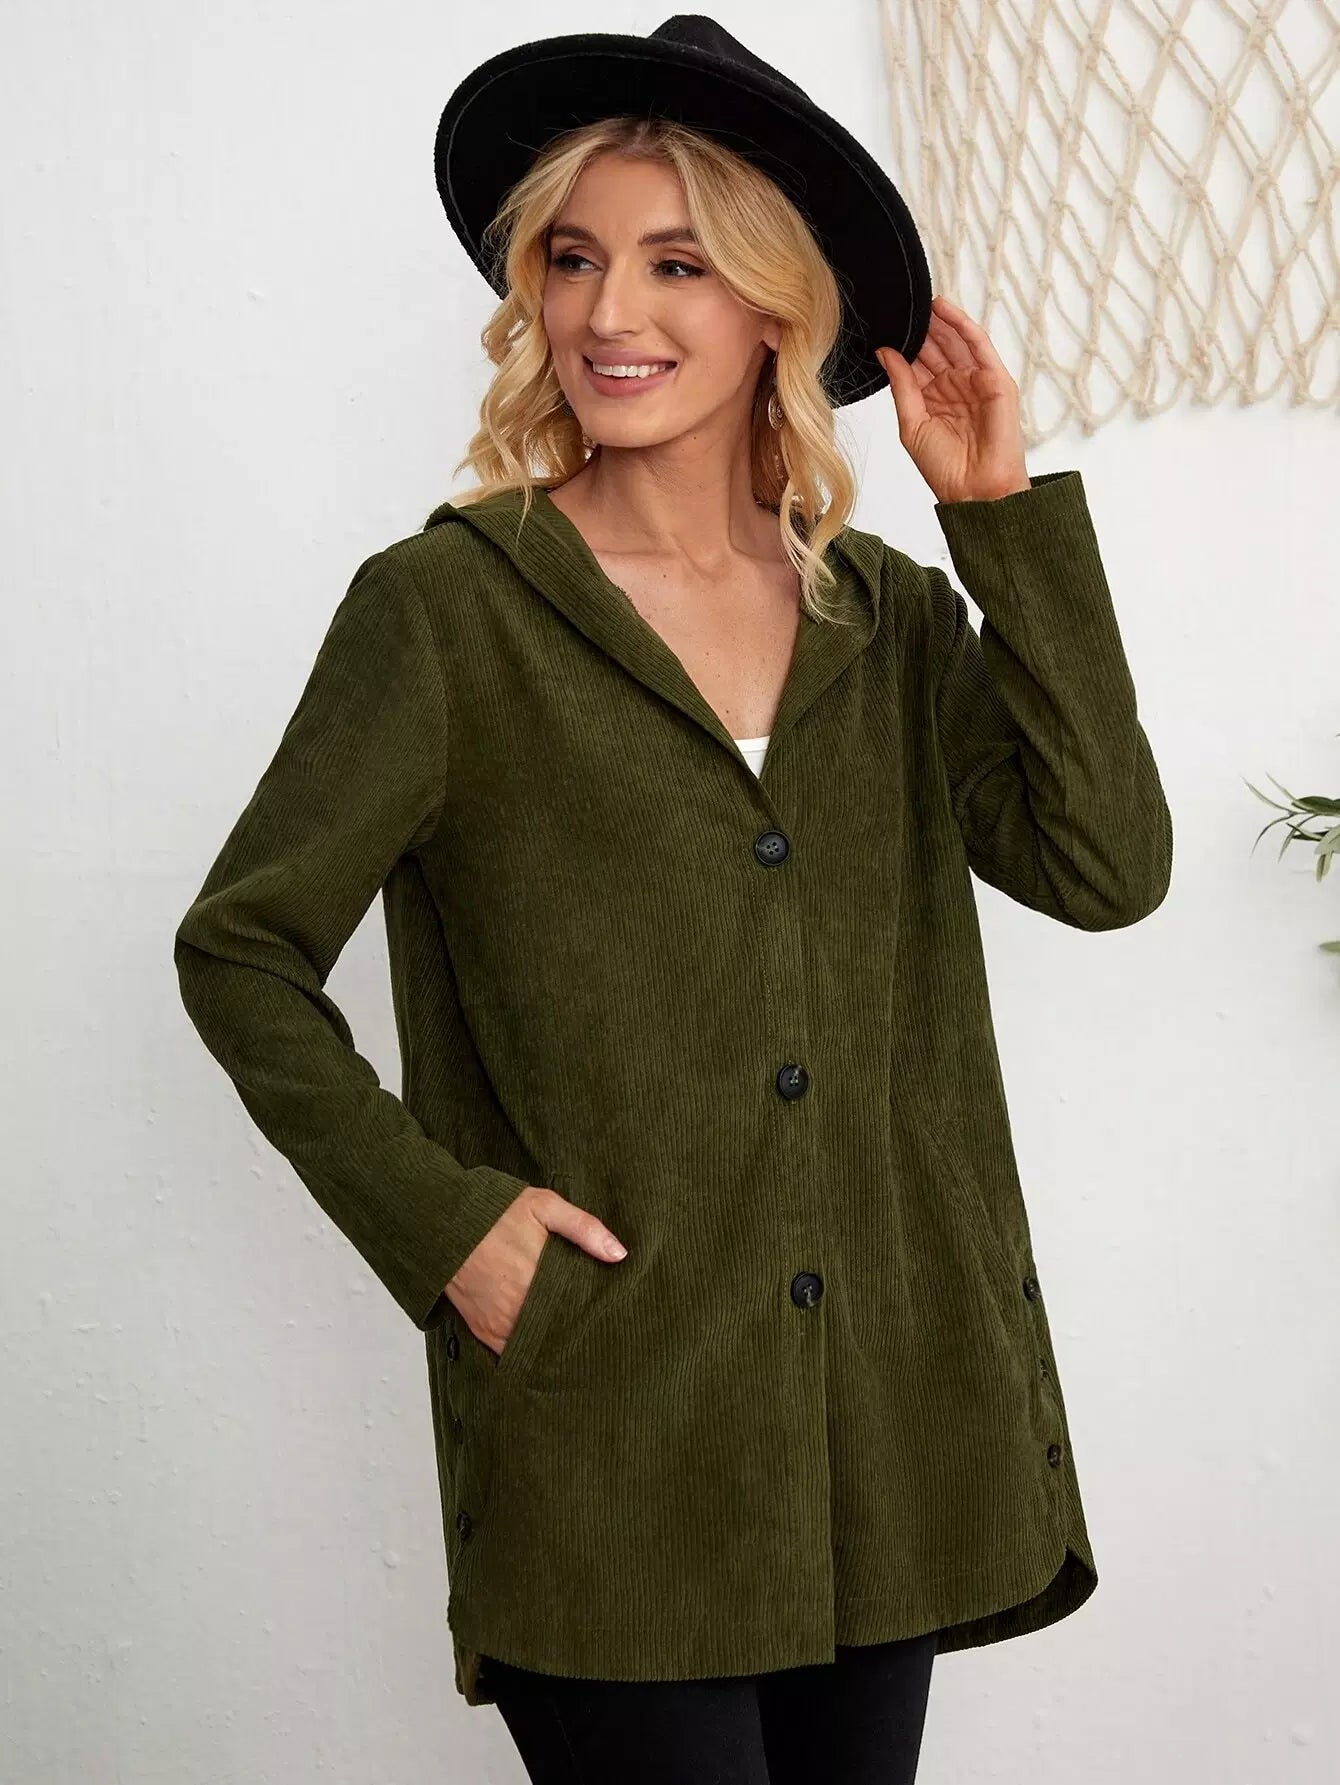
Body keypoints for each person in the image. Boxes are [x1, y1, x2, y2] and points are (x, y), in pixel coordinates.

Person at [173, 16, 1173, 1784]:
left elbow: (1106, 865)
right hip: (614, 1446)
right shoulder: (447, 613)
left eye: (676, 263)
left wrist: (1001, 518)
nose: (607, 312)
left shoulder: (882, 614)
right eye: (573, 260)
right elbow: (241, 951)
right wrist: (451, 1229)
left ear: (779, 308)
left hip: (881, 1441)